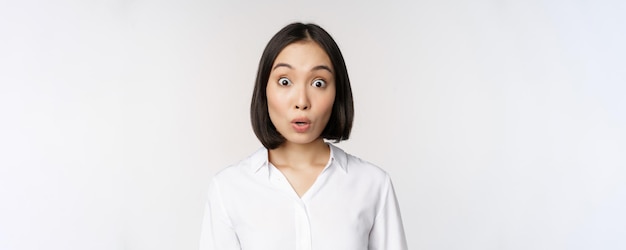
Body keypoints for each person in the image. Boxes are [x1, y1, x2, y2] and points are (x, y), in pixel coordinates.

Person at [199, 22, 407, 250]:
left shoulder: (373, 185)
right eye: (285, 81)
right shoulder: (229, 188)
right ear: (264, 89)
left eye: (318, 83)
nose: (301, 101)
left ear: (337, 93)